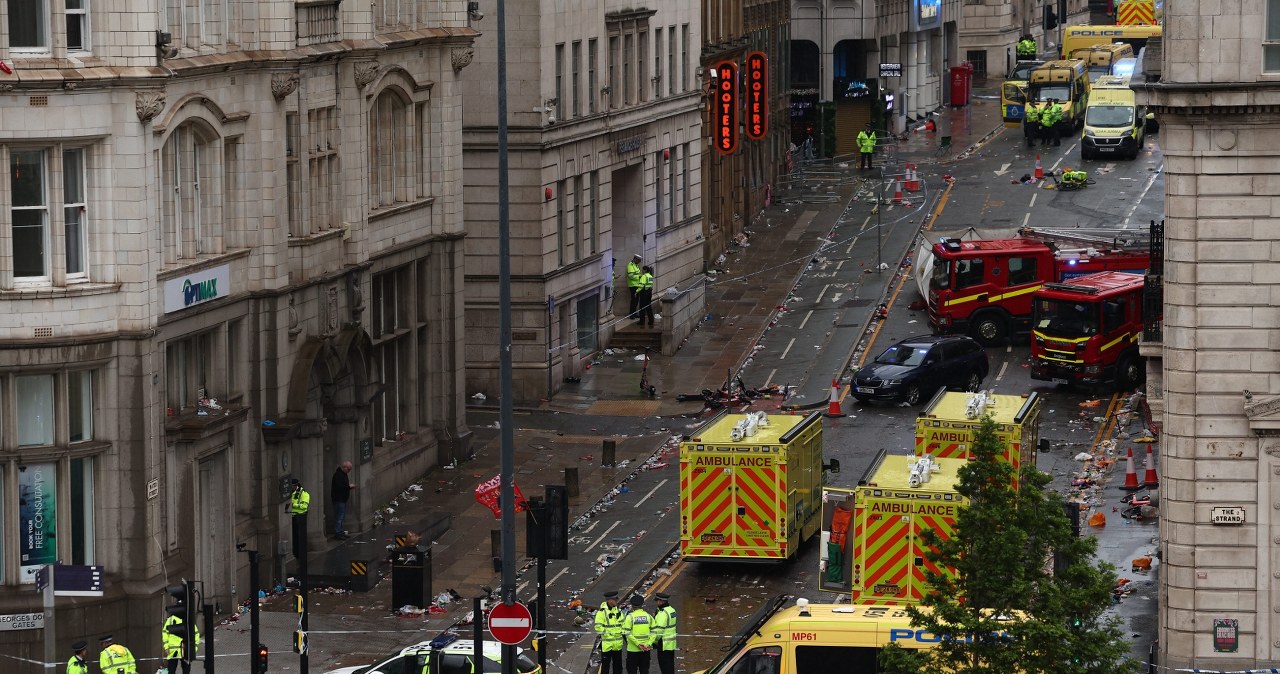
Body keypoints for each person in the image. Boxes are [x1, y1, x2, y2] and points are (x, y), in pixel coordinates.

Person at [163, 606, 202, 674]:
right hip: (173, 651)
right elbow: (165, 633)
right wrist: (166, 647)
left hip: (185, 650)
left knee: (186, 671)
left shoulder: (188, 620)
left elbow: (195, 634)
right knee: (171, 671)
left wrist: (193, 648)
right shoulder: (171, 620)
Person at [622, 593, 655, 674]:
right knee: (644, 670)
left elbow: (627, 632)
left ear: (632, 606)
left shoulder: (630, 617)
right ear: (642, 605)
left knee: (632, 671)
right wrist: (648, 643)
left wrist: (637, 644)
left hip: (633, 650)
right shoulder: (649, 616)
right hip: (646, 650)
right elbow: (654, 632)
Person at [594, 590, 625, 674]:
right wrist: (609, 634)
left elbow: (623, 624)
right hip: (607, 645)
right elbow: (598, 627)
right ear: (609, 600)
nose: (617, 601)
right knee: (605, 667)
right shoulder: (602, 612)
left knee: (618, 667)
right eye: (615, 599)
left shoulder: (618, 611)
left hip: (618, 645)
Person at [652, 593, 678, 674]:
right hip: (671, 643)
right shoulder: (672, 610)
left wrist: (653, 641)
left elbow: (659, 631)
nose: (656, 603)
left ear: (661, 601)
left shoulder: (663, 613)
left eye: (657, 601)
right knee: (670, 666)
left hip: (663, 644)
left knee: (664, 667)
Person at [287, 478, 311, 558]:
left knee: (299, 537)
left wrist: (292, 506)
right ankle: (295, 553)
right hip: (292, 517)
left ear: (295, 486)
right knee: (294, 537)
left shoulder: (303, 493)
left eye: (292, 486)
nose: (291, 488)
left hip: (300, 518)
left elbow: (304, 506)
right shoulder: (291, 493)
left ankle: (299, 554)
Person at [331, 460, 355, 539]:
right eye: (348, 469)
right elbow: (339, 487)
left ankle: (341, 532)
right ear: (344, 467)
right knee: (339, 517)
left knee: (341, 516)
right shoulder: (338, 475)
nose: (349, 471)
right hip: (339, 499)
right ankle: (338, 533)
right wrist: (349, 487)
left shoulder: (343, 474)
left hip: (342, 499)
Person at [626, 254, 644, 318]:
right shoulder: (630, 265)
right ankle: (631, 314)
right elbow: (630, 276)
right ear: (635, 259)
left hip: (637, 285)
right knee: (634, 300)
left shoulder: (636, 265)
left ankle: (634, 313)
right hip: (633, 285)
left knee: (636, 300)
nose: (639, 262)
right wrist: (639, 276)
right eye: (639, 260)